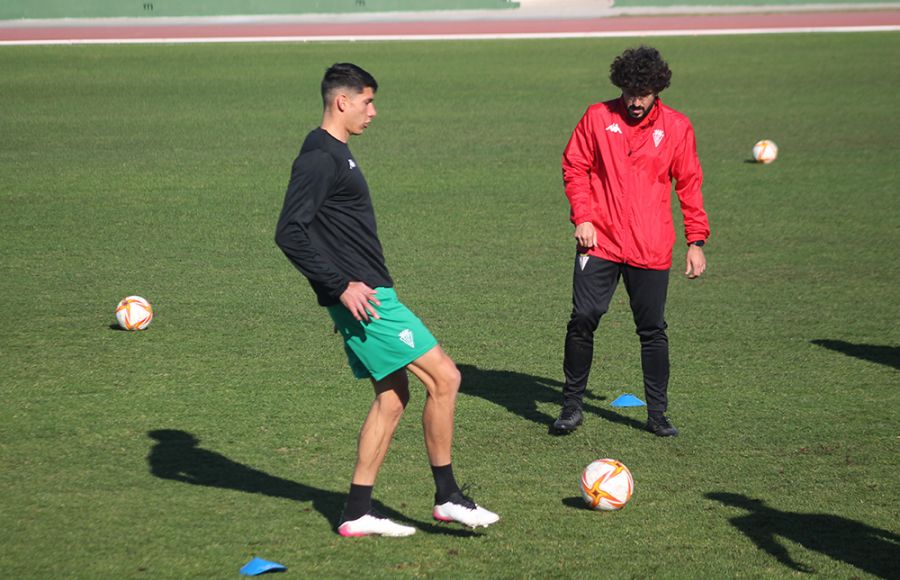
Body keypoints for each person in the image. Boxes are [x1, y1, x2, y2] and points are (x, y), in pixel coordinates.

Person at [275, 63, 499, 537]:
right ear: (342, 101)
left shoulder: (336, 152)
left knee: (393, 398)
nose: (373, 112)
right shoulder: (320, 156)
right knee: (446, 377)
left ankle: (357, 512)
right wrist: (339, 285)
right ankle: (448, 498)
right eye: (367, 102)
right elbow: (289, 232)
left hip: (369, 293)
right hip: (366, 300)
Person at [553, 46, 710, 437]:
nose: (635, 102)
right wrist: (583, 217)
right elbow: (575, 166)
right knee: (583, 319)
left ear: (658, 89)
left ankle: (657, 414)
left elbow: (689, 182)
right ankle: (571, 406)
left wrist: (696, 240)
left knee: (652, 329)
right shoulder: (596, 117)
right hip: (599, 241)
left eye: (643, 94)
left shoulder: (677, 127)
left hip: (650, 245)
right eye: (628, 93)